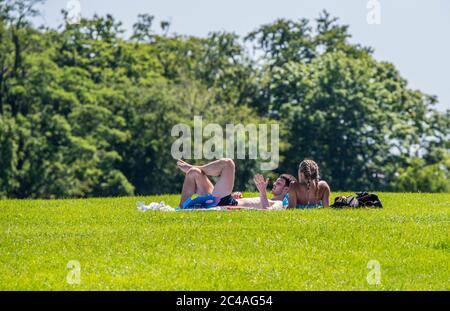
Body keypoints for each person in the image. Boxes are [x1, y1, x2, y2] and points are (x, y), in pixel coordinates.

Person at [176, 159, 296, 210]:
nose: (274, 184)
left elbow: (267, 212)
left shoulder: (279, 203)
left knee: (228, 163)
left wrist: (262, 193)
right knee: (194, 173)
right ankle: (181, 207)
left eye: (279, 183)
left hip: (227, 203)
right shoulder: (270, 199)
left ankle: (191, 166)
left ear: (286, 189)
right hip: (227, 200)